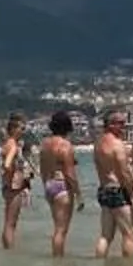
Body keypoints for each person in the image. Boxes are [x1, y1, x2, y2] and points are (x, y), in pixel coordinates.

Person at [92, 108, 133, 260]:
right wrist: (131, 192)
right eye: (121, 124)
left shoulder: (98, 144)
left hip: (104, 190)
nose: (124, 127)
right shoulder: (117, 144)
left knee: (105, 236)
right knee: (128, 234)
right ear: (110, 124)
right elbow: (123, 172)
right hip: (117, 191)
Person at [38, 109, 80, 257]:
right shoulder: (65, 146)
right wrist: (79, 195)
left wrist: (45, 186)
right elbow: (70, 173)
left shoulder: (44, 145)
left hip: (49, 184)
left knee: (57, 228)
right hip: (62, 185)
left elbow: (42, 169)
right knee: (61, 230)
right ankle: (58, 263)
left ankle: (57, 259)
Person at [0, 112, 33, 250]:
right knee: (11, 223)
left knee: (8, 222)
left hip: (7, 186)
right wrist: (12, 175)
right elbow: (7, 165)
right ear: (13, 129)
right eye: (21, 129)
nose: (23, 132)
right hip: (13, 186)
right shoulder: (12, 145)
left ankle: (7, 249)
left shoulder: (7, 144)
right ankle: (9, 250)